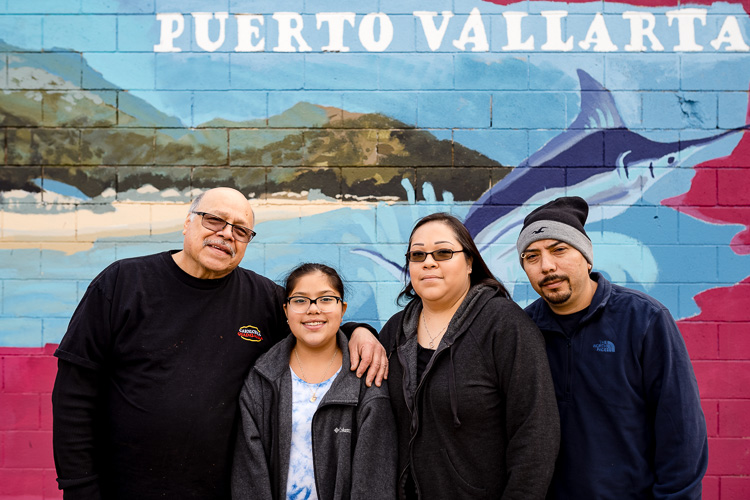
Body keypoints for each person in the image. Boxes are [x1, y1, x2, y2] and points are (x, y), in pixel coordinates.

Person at [51, 187, 387, 500]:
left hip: (222, 490)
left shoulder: (263, 299)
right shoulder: (123, 283)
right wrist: (79, 485)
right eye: (214, 220)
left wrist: (358, 330)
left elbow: (310, 321)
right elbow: (74, 393)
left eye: (241, 230)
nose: (226, 233)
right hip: (123, 487)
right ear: (187, 222)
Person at [516, 196, 708, 499]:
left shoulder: (644, 319)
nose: (547, 266)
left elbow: (681, 431)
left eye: (559, 250)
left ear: (586, 256)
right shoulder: (522, 330)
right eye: (531, 256)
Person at [379, 212, 560, 499]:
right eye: (417, 255)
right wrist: (358, 330)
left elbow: (536, 433)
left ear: (469, 263)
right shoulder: (394, 332)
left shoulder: (504, 325)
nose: (428, 262)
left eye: (443, 252)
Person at [232, 263, 397, 499]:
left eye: (326, 299)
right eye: (300, 300)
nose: (313, 309)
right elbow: (249, 475)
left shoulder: (366, 380)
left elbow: (373, 481)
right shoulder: (263, 379)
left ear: (342, 310)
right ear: (286, 311)